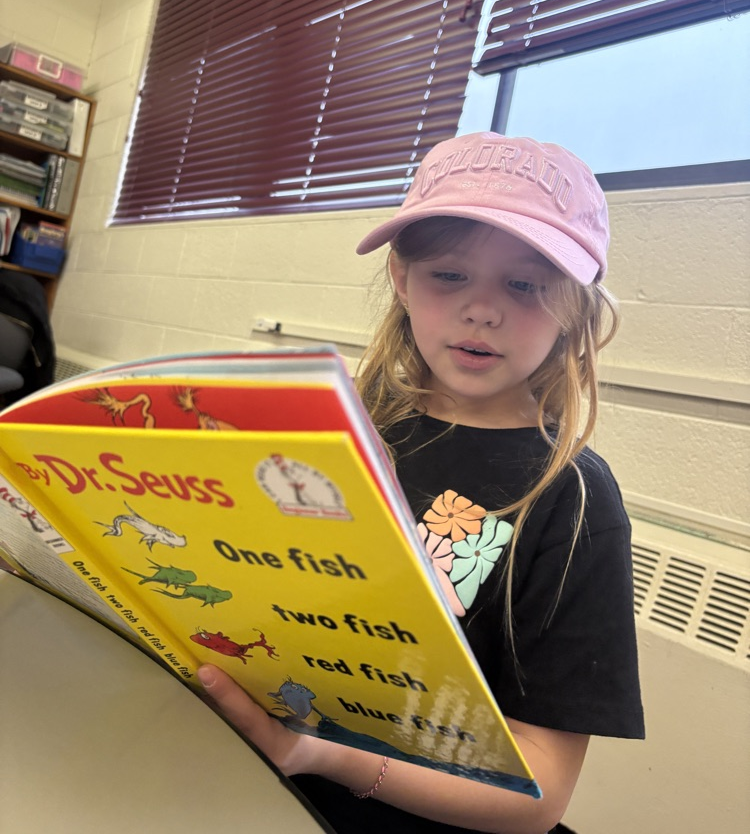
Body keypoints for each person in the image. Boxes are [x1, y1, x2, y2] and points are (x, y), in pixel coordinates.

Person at [198, 132, 645, 834]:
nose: (482, 310)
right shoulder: (337, 428)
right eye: (449, 275)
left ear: (576, 309)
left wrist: (326, 757)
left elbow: (541, 793)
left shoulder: (574, 498)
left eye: (526, 284)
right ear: (403, 280)